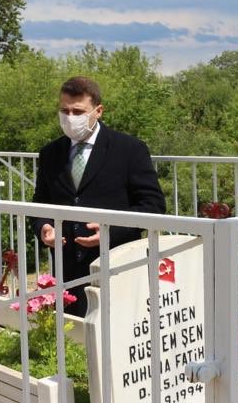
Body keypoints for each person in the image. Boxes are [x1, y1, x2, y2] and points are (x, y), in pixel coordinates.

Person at [31, 76, 166, 316]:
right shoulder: (50, 153)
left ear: (98, 111)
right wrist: (44, 227)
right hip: (67, 270)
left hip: (116, 265)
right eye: (64, 110)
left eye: (78, 111)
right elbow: (40, 204)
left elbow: (153, 205)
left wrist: (111, 228)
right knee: (73, 341)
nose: (70, 117)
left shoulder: (129, 149)